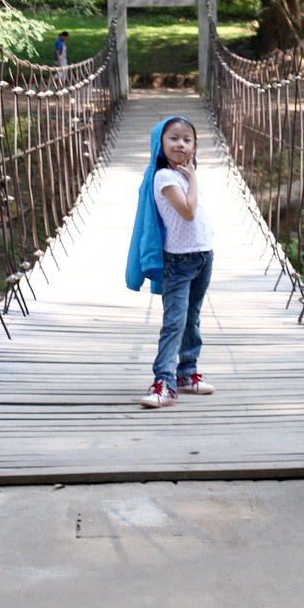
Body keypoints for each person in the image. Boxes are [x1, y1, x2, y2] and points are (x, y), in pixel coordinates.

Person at [125, 115, 215, 408]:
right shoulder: (164, 177)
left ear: (194, 147)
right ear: (160, 145)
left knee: (192, 318)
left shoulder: (183, 177)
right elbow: (188, 211)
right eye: (173, 138)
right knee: (174, 322)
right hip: (178, 260)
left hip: (203, 255)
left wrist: (190, 177)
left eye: (187, 139)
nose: (180, 144)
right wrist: (193, 178)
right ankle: (164, 380)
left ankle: (187, 372)